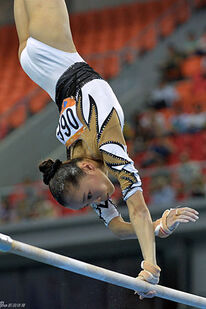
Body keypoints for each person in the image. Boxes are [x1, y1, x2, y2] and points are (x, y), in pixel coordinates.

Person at [14, 0, 199, 300]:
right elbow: (118, 226)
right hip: (34, 65)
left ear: (87, 168)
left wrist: (150, 267)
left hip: (53, 48)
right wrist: (157, 226)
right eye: (89, 202)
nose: (97, 201)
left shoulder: (108, 143)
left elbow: (136, 207)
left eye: (88, 197)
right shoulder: (77, 165)